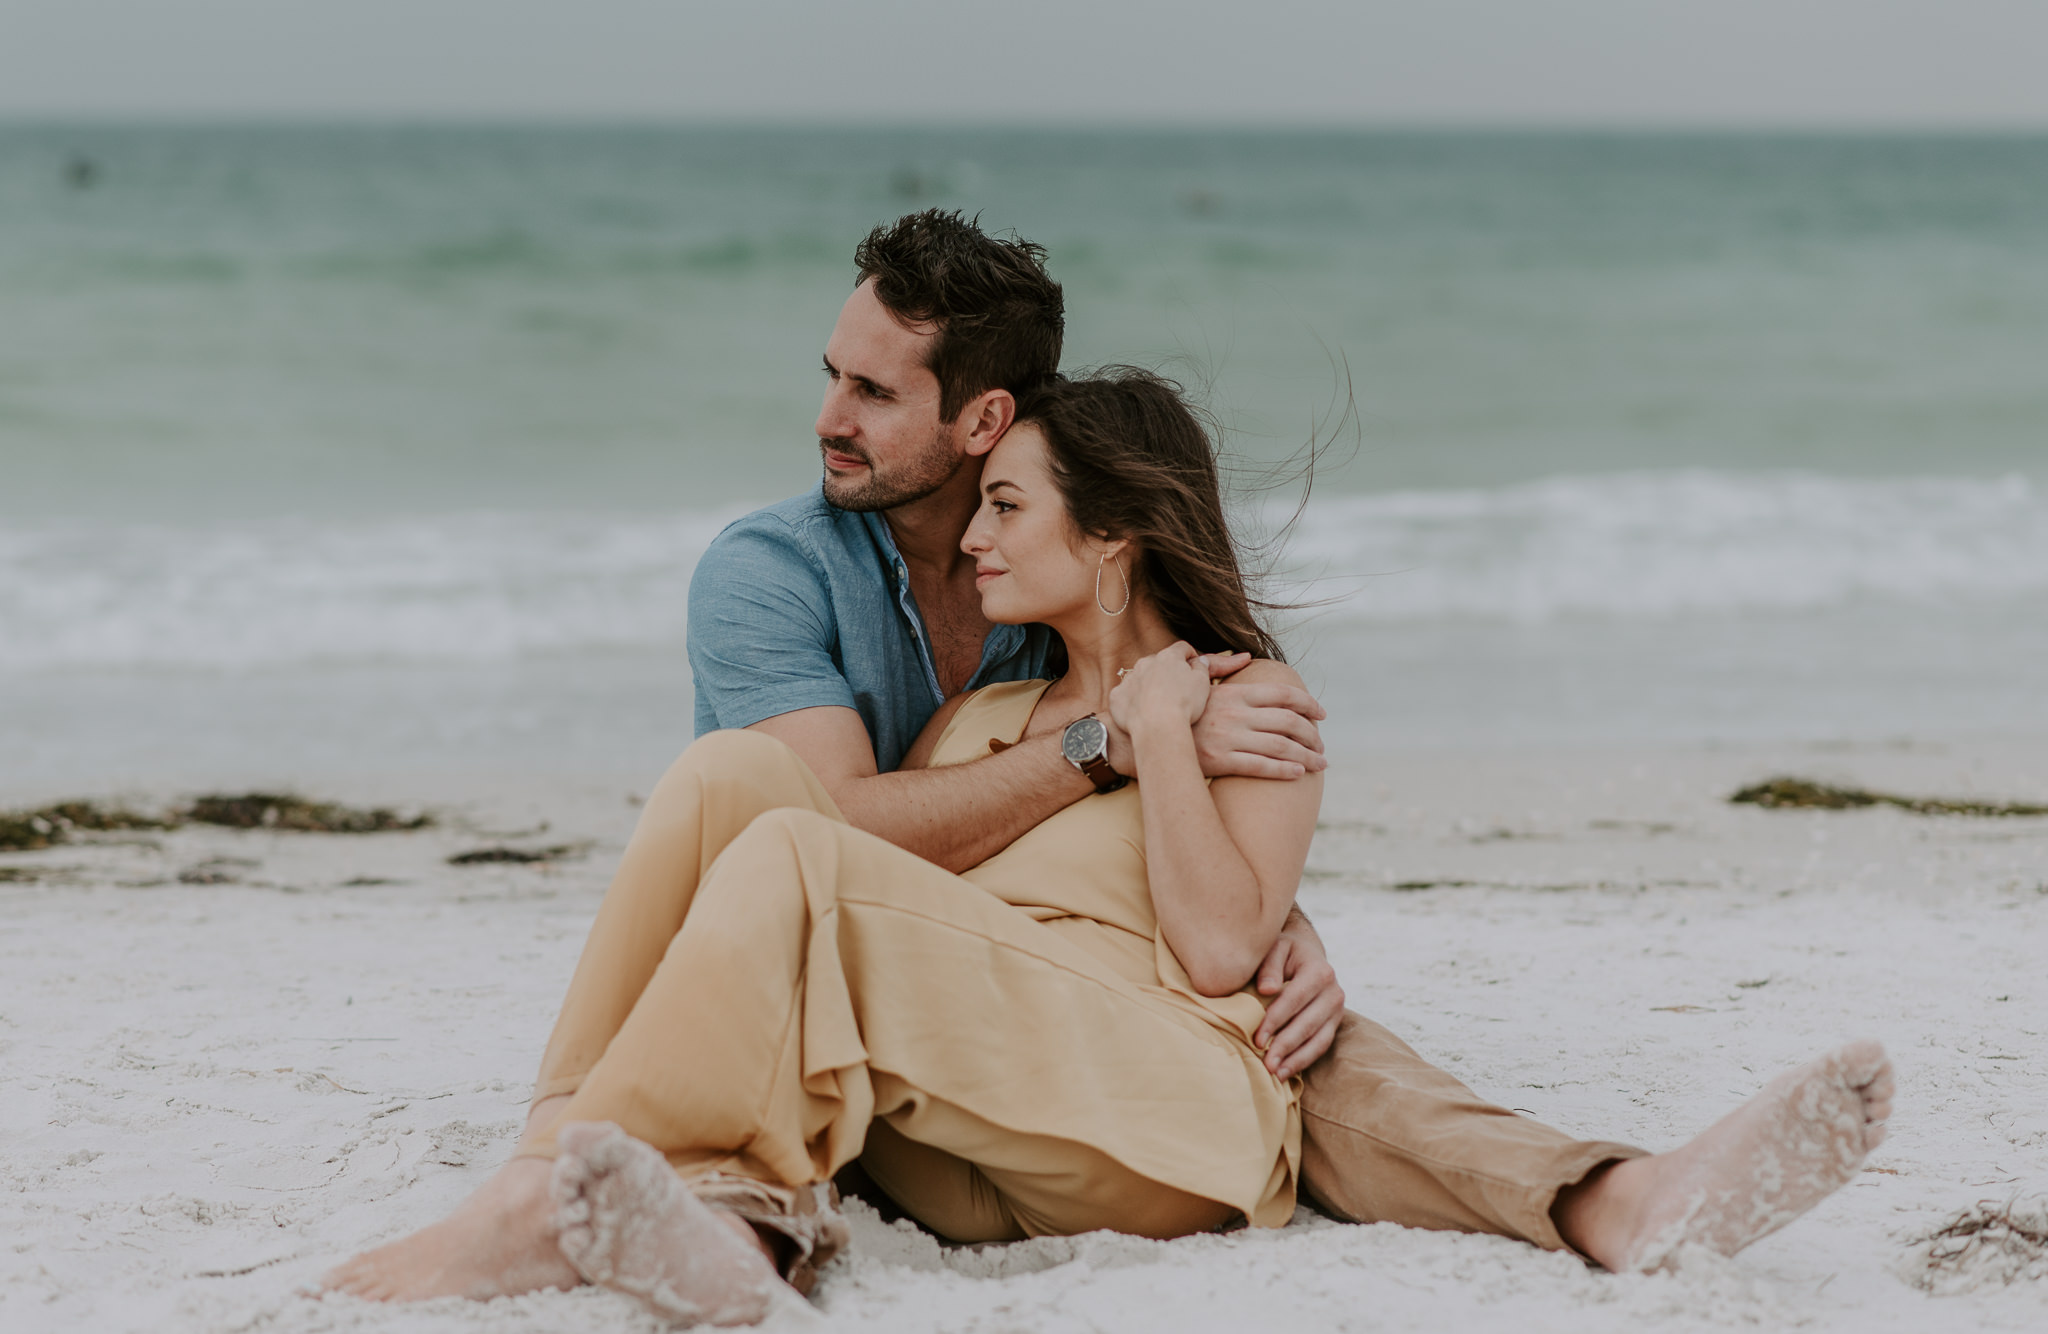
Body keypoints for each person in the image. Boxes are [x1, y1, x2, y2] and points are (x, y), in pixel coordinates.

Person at [324, 368, 1327, 1319]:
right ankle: (595, 1171)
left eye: (1006, 506)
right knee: (729, 773)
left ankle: (549, 1207)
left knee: (795, 849)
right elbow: (889, 895)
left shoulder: (1247, 701)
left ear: (1110, 533)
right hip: (955, 1138)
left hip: (1154, 1125)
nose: (973, 534)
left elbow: (1217, 950)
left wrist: (1161, 727)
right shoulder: (979, 719)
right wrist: (1106, 734)